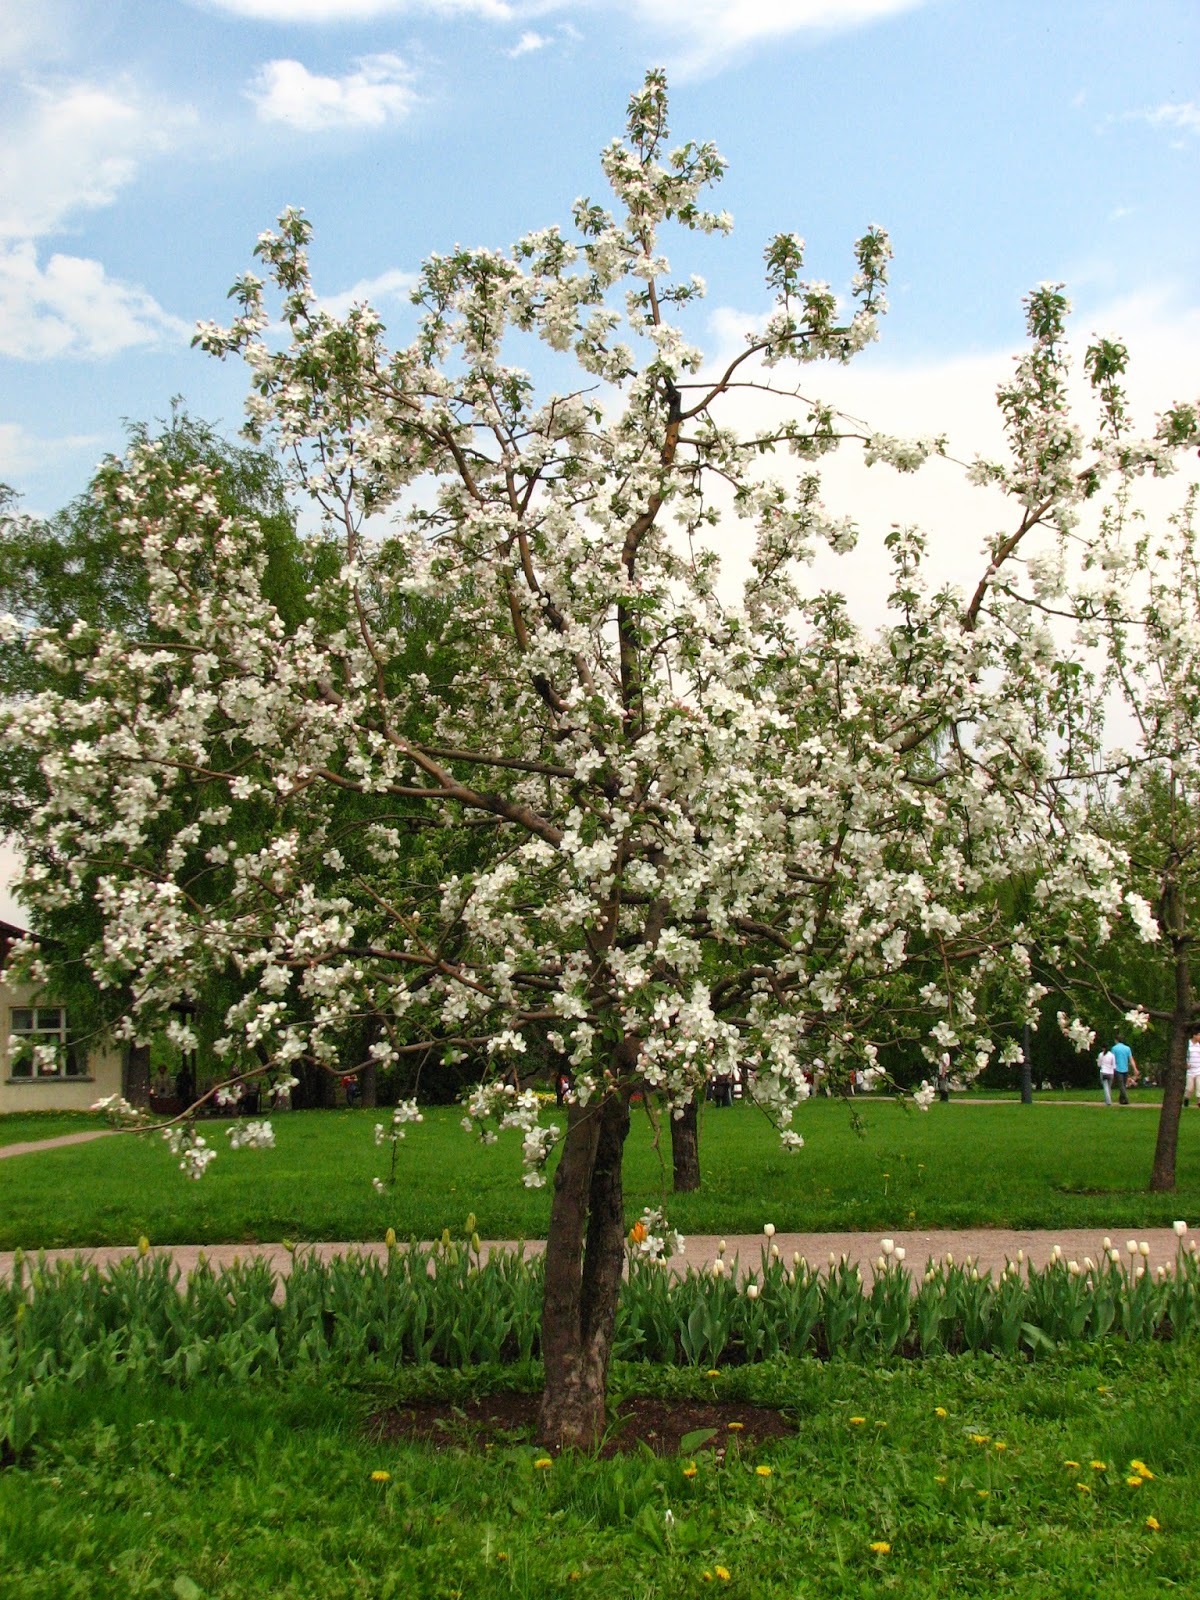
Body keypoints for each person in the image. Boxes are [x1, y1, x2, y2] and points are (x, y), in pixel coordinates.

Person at [1110, 1035, 1138, 1106]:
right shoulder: (1127, 1048)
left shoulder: (1114, 1048)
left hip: (1117, 1068)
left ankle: (1126, 1098)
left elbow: (1112, 1059)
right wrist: (1135, 1068)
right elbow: (1131, 1059)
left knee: (1121, 1085)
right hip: (1125, 1068)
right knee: (1123, 1085)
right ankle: (1122, 1100)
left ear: (1116, 1040)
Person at [1185, 1030, 1200, 1108]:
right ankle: (1186, 1099)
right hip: (1190, 1070)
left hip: (1198, 1069)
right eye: (1199, 1035)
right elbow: (1184, 1055)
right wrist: (1185, 1063)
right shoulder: (1187, 1044)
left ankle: (1199, 1102)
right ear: (1194, 1036)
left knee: (1199, 1086)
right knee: (1189, 1088)